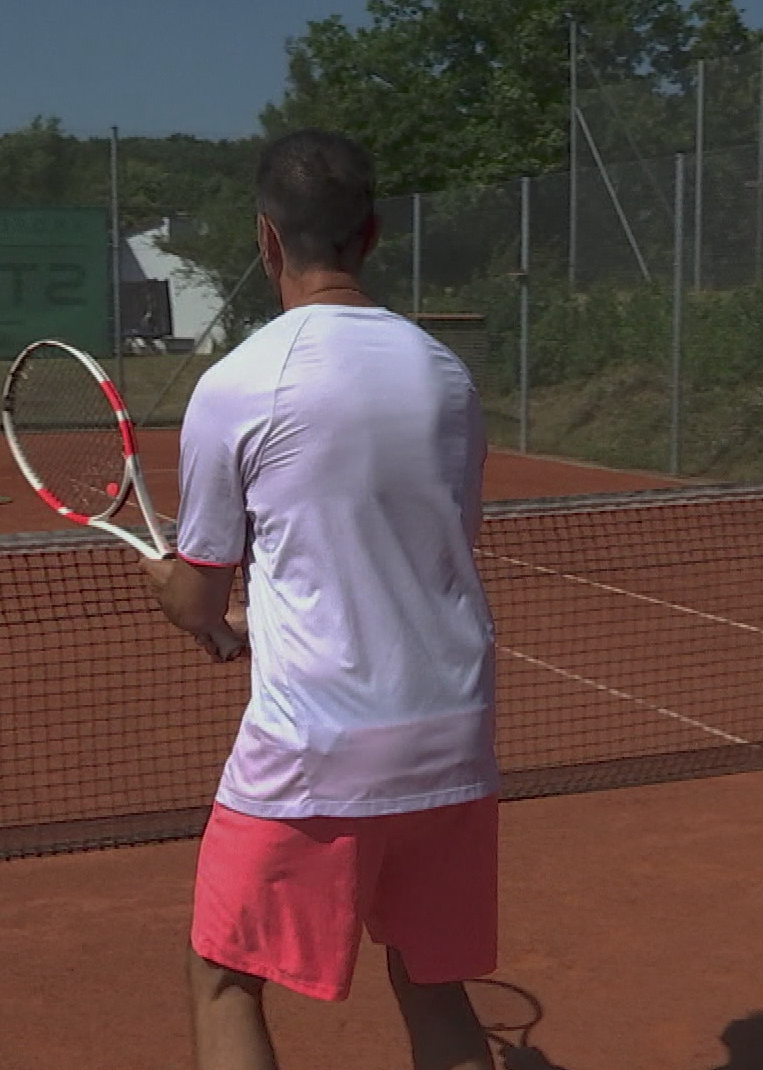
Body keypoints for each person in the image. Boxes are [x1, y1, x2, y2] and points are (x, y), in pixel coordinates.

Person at [139, 127, 500, 1070]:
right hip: (452, 735)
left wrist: (181, 597)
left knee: (222, 976)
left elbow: (198, 593)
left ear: (267, 239)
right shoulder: (449, 380)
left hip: (315, 753)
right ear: (372, 233)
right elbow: (417, 554)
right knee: (432, 984)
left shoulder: (238, 386)